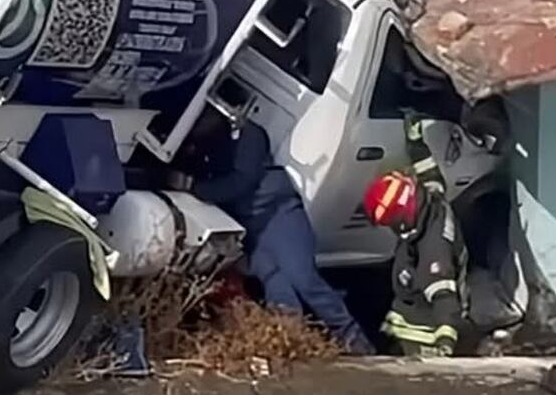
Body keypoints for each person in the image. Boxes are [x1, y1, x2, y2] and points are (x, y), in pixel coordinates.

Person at [171, 107, 375, 355]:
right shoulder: (198, 146)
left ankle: (354, 340)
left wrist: (195, 188)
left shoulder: (249, 135)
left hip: (278, 214)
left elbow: (242, 181)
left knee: (304, 279)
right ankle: (293, 342)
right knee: (277, 287)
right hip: (251, 227)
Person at [363, 170, 468, 357]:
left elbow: (443, 292)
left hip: (421, 334)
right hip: (407, 313)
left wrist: (445, 339)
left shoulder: (434, 247)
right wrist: (415, 142)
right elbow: (430, 172)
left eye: (391, 222)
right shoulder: (429, 201)